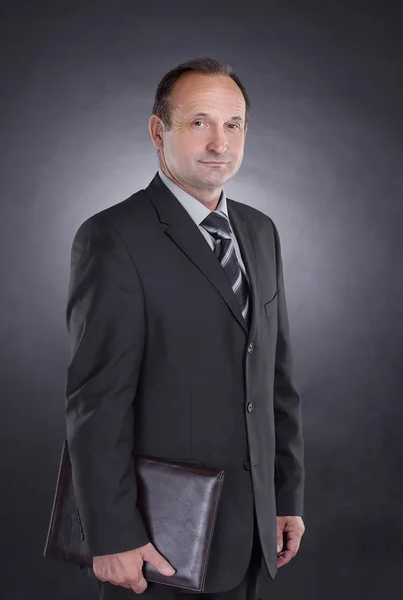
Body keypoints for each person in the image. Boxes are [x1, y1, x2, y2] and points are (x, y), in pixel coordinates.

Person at [65, 57, 305, 600]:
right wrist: (111, 534)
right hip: (161, 540)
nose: (220, 142)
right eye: (199, 122)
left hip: (252, 533)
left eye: (233, 124)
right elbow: (97, 403)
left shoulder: (260, 231)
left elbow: (275, 379)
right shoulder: (113, 237)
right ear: (158, 131)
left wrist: (284, 496)